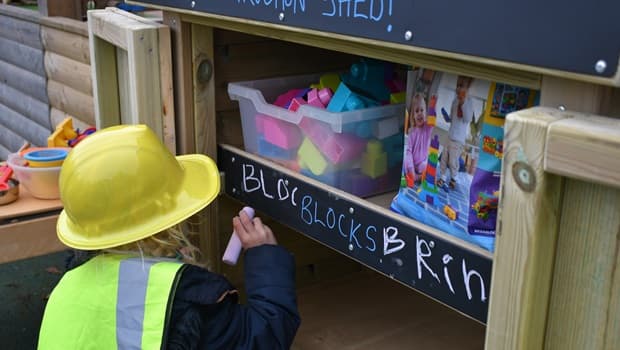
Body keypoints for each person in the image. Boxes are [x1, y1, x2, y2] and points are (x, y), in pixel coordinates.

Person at [38, 124, 300, 349]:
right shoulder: (185, 300)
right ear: (164, 229)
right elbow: (263, 339)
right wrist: (265, 256)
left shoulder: (67, 288)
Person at [438, 75, 475, 190]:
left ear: (468, 88)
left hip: (458, 139)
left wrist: (463, 102)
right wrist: (445, 116)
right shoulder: (454, 101)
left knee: (452, 160)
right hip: (450, 136)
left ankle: (454, 178)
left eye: (462, 86)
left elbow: (467, 118)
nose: (458, 88)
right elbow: (451, 119)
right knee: (444, 158)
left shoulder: (469, 102)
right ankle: (443, 176)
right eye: (457, 85)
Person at [404, 93, 436, 185]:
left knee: (428, 165)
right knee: (404, 160)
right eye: (416, 111)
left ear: (425, 113)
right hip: (413, 163)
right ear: (413, 115)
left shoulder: (427, 128)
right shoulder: (412, 132)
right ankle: (415, 176)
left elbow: (432, 122)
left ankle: (419, 176)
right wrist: (411, 169)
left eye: (422, 110)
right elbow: (409, 152)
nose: (419, 113)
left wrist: (432, 107)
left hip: (422, 162)